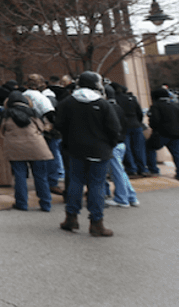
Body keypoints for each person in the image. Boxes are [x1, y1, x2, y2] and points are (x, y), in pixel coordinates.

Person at [54, 71, 122, 237]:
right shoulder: (103, 104)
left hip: (75, 149)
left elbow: (59, 124)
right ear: (96, 85)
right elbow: (115, 129)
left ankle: (71, 218)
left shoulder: (67, 102)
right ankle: (96, 223)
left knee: (75, 182)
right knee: (96, 185)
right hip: (100, 150)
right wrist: (109, 144)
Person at [0, 91, 52, 212]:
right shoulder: (33, 113)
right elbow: (42, 127)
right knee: (41, 176)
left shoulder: (6, 114)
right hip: (37, 147)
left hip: (15, 148)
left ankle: (22, 203)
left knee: (20, 176)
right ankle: (46, 204)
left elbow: (2, 130)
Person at [146, 87, 179, 181]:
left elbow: (154, 121)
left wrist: (154, 127)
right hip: (178, 134)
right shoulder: (176, 105)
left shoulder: (156, 106)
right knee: (178, 154)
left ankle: (154, 169)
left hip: (162, 134)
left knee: (149, 148)